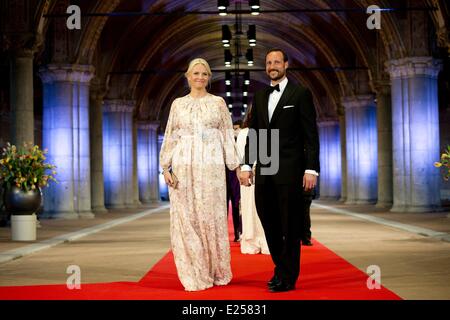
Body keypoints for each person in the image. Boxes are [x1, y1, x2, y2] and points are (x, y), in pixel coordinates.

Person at [239, 48, 320, 292]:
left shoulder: (300, 93)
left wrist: (311, 169)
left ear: (286, 64)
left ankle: (288, 277)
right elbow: (254, 133)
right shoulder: (261, 95)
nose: (273, 65)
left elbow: (310, 136)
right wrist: (246, 165)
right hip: (265, 167)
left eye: (277, 61)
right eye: (269, 62)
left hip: (291, 169)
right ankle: (280, 267)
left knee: (290, 225)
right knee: (269, 221)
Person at [159, 58, 241, 291]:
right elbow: (171, 136)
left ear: (209, 77)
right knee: (188, 218)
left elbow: (227, 135)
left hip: (212, 170)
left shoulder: (218, 103)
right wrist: (165, 167)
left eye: (204, 74)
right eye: (196, 73)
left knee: (211, 217)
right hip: (184, 168)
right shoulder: (178, 105)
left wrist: (236, 167)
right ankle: (193, 272)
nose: (200, 77)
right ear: (187, 76)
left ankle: (215, 270)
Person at [236, 105, 270, 255]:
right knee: (250, 208)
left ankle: (266, 240)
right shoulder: (244, 133)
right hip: (248, 175)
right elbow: (238, 156)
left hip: (266, 175)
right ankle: (250, 241)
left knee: (266, 208)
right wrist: (243, 170)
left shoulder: (270, 131)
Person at [226, 120, 243, 242]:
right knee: (222, 206)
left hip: (236, 177)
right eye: (233, 129)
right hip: (224, 176)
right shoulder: (227, 141)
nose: (234, 131)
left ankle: (238, 232)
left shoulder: (242, 140)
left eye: (237, 129)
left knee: (237, 206)